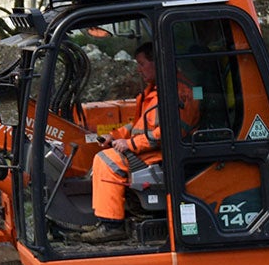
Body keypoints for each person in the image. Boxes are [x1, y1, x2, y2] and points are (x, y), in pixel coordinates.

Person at [80, 42, 195, 244]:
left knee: (107, 162)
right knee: (106, 155)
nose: (138, 69)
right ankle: (106, 220)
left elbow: (170, 133)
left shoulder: (178, 92)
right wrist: (114, 136)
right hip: (150, 149)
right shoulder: (155, 91)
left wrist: (131, 145)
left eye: (142, 64)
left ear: (156, 63)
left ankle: (112, 225)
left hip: (164, 154)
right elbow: (137, 126)